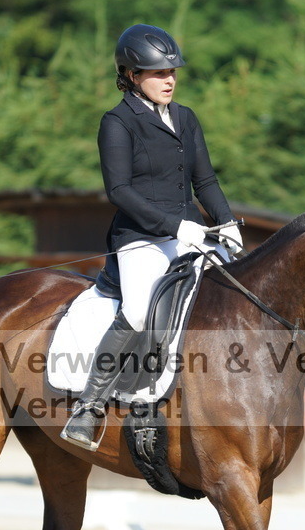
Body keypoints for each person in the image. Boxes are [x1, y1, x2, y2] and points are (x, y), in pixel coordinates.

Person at [61, 23, 242, 450]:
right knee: (141, 312)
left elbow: (206, 180)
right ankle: (88, 406)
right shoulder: (117, 122)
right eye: (160, 74)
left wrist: (227, 221)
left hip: (192, 233)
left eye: (173, 72)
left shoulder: (185, 117)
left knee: (235, 293)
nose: (170, 80)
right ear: (131, 75)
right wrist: (175, 226)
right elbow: (118, 191)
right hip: (140, 237)